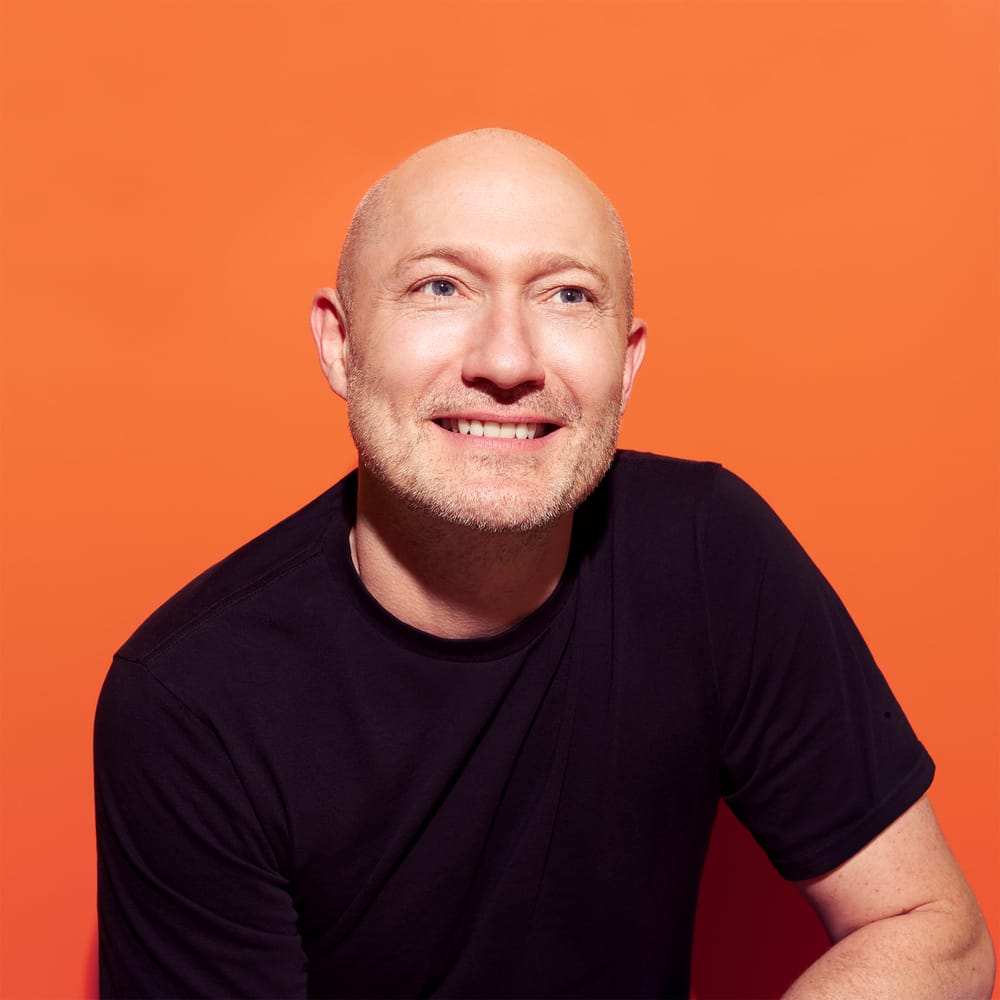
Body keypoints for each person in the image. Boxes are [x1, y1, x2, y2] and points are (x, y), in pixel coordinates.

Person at [94, 128, 994, 998]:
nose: (507, 360)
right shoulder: (190, 704)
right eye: (441, 286)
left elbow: (933, 932)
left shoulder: (709, 553)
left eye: (566, 296)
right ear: (340, 342)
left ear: (627, 362)